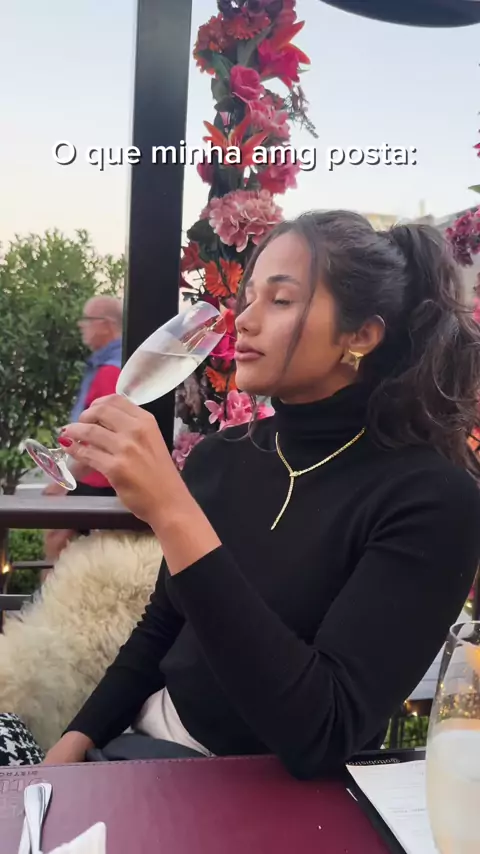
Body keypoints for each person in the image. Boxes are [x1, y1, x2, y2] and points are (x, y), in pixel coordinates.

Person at [13, 210, 480, 777]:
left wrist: (170, 509)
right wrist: (72, 743)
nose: (245, 320)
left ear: (360, 335)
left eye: (280, 300)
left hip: (271, 796)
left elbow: (322, 731)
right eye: (249, 296)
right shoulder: (223, 456)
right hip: (146, 756)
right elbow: (163, 626)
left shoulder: (433, 499)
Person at [43, 296, 123, 561]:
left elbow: (103, 438)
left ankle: (54, 589)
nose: (81, 325)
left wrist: (65, 481)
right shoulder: (108, 364)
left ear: (105, 325)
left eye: (87, 320)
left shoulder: (110, 371)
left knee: (56, 536)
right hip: (98, 476)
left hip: (100, 479)